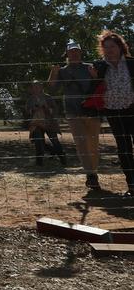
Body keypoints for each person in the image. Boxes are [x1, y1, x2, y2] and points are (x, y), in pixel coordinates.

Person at [48, 40, 101, 188]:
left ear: (81, 52)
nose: (74, 53)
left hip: (92, 111)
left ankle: (93, 171)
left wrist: (96, 76)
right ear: (67, 54)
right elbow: (52, 87)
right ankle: (90, 175)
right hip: (72, 112)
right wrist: (53, 72)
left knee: (93, 145)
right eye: (71, 51)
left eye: (76, 51)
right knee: (81, 144)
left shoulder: (90, 67)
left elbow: (100, 86)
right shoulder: (63, 71)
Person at [93, 30, 134, 197]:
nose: (110, 49)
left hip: (132, 109)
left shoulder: (132, 63)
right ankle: (132, 185)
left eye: (113, 46)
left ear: (121, 47)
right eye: (106, 46)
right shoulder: (99, 66)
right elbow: (93, 87)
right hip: (112, 111)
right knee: (124, 149)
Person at [25, 81, 67, 166]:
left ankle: (63, 160)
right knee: (38, 142)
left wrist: (46, 107)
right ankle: (39, 162)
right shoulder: (30, 99)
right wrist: (33, 109)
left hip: (49, 123)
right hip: (36, 123)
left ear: (41, 87)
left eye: (37, 86)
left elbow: (55, 110)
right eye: (34, 87)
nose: (35, 88)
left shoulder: (48, 97)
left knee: (54, 140)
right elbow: (27, 111)